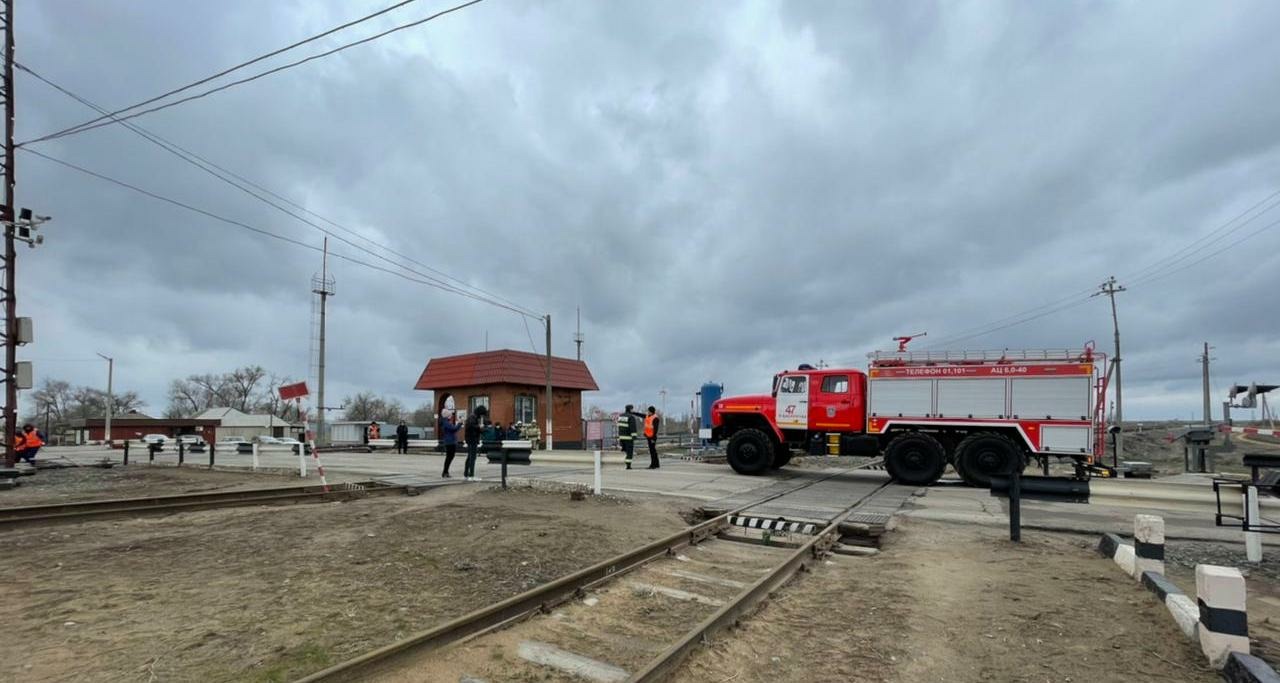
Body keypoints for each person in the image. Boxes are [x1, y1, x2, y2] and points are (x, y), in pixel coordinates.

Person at [463, 405, 487, 481]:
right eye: (482, 414)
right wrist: (479, 427)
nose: (482, 416)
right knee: (472, 457)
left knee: (470, 457)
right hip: (472, 439)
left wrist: (481, 429)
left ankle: (466, 474)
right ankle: (471, 475)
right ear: (480, 412)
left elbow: (473, 427)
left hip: (470, 439)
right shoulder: (473, 417)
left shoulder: (472, 417)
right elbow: (472, 427)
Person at [617, 404, 640, 470]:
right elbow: (632, 428)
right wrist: (634, 436)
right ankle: (628, 465)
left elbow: (619, 426)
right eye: (632, 409)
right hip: (628, 438)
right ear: (630, 409)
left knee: (623, 451)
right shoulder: (631, 417)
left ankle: (622, 464)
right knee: (629, 452)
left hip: (621, 437)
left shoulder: (621, 416)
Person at [438, 413, 461, 478]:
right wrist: (459, 423)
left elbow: (453, 429)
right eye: (450, 415)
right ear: (447, 416)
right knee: (449, 457)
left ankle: (445, 472)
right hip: (450, 442)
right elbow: (454, 429)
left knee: (449, 457)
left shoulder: (445, 422)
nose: (451, 416)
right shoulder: (446, 422)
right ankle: (445, 472)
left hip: (449, 441)